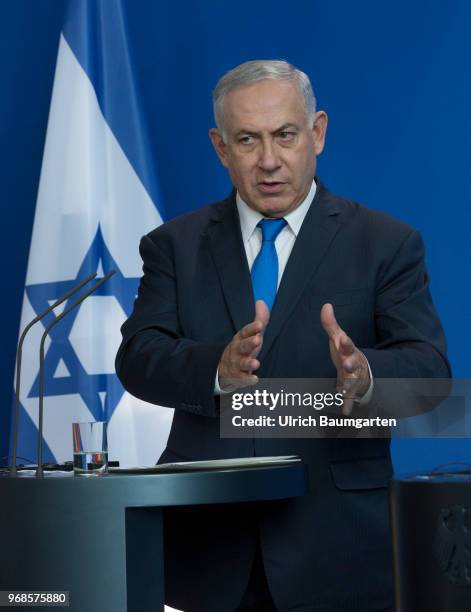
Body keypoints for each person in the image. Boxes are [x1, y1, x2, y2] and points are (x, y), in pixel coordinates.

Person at [116, 60, 450, 612]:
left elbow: (432, 376)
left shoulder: (385, 244)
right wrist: (214, 372)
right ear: (221, 148)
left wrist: (366, 378)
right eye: (247, 140)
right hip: (209, 550)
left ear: (317, 133)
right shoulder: (174, 245)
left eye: (285, 136)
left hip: (336, 546)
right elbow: (138, 356)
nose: (268, 160)